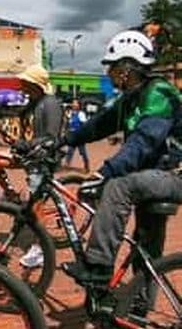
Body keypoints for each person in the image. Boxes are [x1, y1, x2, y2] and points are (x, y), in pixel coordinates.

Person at [60, 30, 182, 307]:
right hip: (153, 176)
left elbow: (144, 141)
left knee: (117, 186)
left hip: (173, 175)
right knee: (146, 250)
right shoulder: (131, 98)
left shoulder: (159, 93)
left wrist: (107, 171)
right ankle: (137, 312)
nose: (109, 74)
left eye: (112, 67)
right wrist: (63, 141)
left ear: (127, 68)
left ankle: (98, 267)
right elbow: (98, 126)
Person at [17, 64, 65, 268]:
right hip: (33, 157)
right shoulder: (34, 102)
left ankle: (40, 249)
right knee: (32, 200)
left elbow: (51, 137)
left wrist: (28, 145)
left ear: (35, 84)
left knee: (37, 205)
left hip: (44, 159)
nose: (22, 85)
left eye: (25, 82)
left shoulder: (50, 104)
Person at [64, 98, 90, 171]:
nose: (74, 104)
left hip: (79, 136)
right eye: (73, 103)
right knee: (70, 151)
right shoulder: (70, 113)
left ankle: (86, 165)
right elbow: (68, 124)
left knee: (83, 152)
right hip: (72, 136)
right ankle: (67, 164)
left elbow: (84, 124)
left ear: (79, 105)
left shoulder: (81, 114)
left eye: (75, 103)